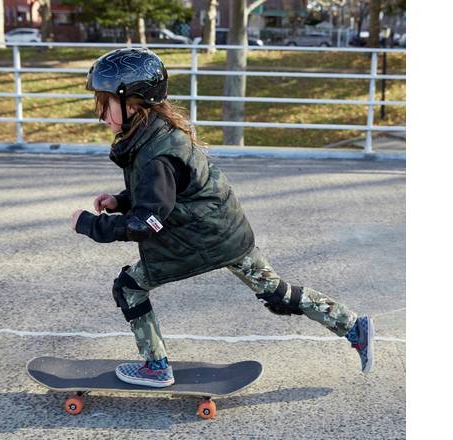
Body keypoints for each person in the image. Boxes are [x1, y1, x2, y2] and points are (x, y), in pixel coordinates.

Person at [70, 48, 373, 388]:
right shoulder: (156, 132)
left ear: (134, 103)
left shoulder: (155, 152)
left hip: (199, 237)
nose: (100, 115)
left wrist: (89, 224)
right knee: (275, 292)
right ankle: (352, 324)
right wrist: (120, 200)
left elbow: (148, 222)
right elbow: (166, 193)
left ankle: (156, 367)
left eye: (104, 103)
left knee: (129, 288)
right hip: (223, 229)